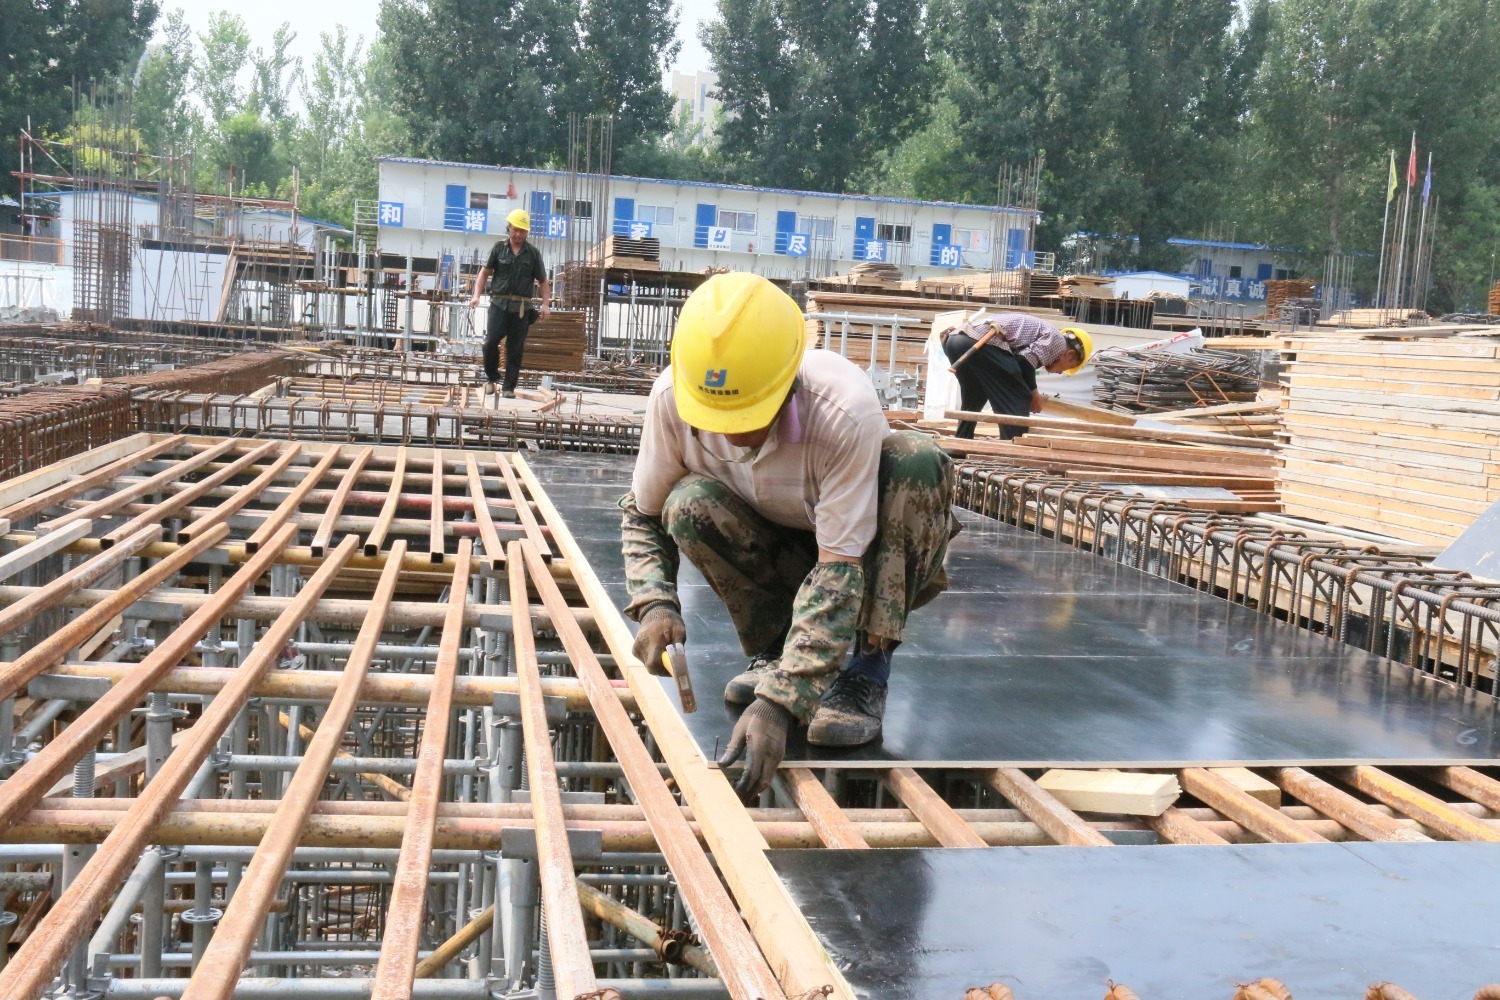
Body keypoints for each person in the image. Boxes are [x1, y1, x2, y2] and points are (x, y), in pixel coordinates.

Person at [621, 272, 959, 801]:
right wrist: (655, 603)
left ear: (787, 383)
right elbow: (644, 514)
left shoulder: (842, 412)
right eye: (716, 416)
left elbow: (838, 569)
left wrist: (778, 705)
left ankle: (866, 670)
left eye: (747, 414)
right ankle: (778, 651)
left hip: (857, 561)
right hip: (777, 543)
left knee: (915, 461)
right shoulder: (672, 398)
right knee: (688, 503)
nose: (730, 432)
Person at [941, 313, 1093, 439]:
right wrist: (1034, 397)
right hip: (978, 342)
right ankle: (1011, 453)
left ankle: (962, 443)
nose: (1060, 372)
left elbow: (1019, 363)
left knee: (975, 397)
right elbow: (1024, 362)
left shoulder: (1045, 334)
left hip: (956, 340)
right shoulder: (1058, 342)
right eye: (1069, 367)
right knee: (1019, 397)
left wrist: (1033, 392)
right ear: (1070, 354)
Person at [468, 209, 551, 398]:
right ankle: (491, 378)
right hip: (499, 303)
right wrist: (476, 295)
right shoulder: (498, 248)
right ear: (509, 228)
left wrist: (545, 304)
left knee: (515, 348)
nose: (518, 234)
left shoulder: (533, 254)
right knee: (490, 343)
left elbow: (543, 281)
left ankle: (508, 388)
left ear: (527, 232)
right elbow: (484, 272)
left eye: (523, 231)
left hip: (521, 308)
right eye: (515, 230)